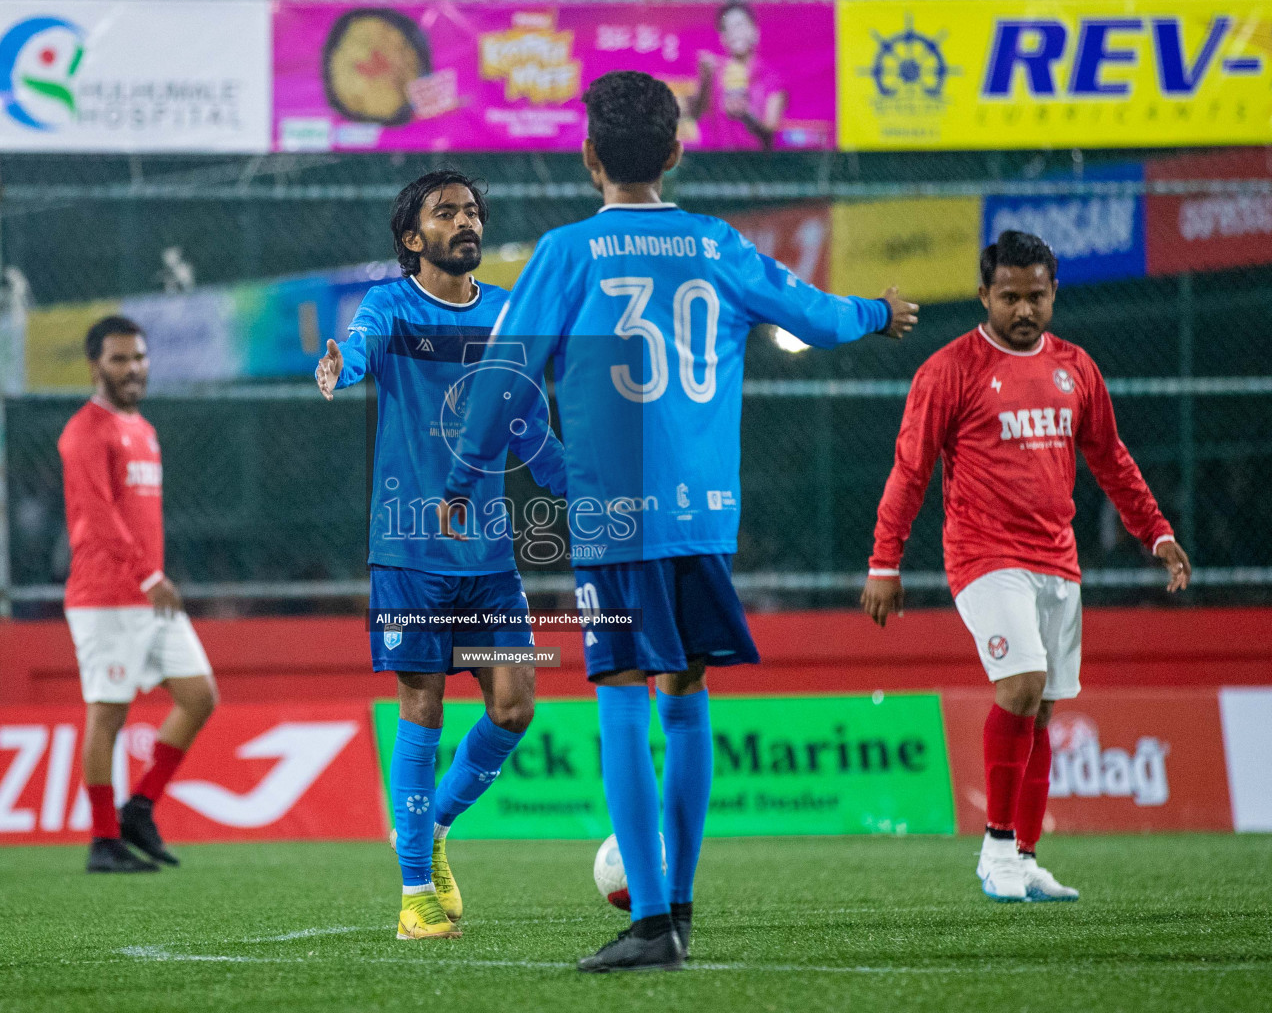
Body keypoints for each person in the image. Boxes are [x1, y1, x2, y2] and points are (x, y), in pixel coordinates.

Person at [441, 71, 917, 971]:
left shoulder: (568, 253)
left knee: (621, 692)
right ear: (676, 152)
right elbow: (812, 317)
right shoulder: (716, 245)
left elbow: (505, 378)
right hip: (702, 517)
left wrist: (464, 479)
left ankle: (652, 924)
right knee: (688, 696)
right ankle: (680, 909)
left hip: (613, 518)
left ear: (588, 158)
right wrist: (876, 313)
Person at [860, 229, 1192, 903]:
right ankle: (997, 849)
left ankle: (1027, 855)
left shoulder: (1077, 368)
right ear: (984, 295)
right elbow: (910, 470)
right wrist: (883, 561)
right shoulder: (949, 370)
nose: (1023, 309)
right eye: (1008, 296)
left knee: (1041, 710)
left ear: (1053, 293)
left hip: (1057, 558)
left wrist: (1155, 531)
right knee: (1022, 684)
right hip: (983, 555)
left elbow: (1111, 459)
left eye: (1035, 296)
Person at [315, 170, 566, 941]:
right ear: (411, 238)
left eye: (472, 211)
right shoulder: (390, 307)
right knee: (422, 706)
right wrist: (340, 366)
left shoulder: (505, 316)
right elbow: (357, 351)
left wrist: (579, 493)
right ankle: (416, 897)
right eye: (445, 212)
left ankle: (431, 829)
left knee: (515, 706)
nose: (466, 222)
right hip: (410, 550)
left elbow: (526, 425)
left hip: (489, 556)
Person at [59, 315, 218, 874]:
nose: (134, 368)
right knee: (108, 715)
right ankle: (104, 840)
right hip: (107, 596)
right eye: (121, 359)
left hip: (149, 595)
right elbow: (97, 517)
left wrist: (151, 580)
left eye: (140, 358)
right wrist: (148, 576)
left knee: (200, 696)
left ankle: (140, 808)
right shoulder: (85, 431)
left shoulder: (142, 429)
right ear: (95, 365)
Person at [686, 1, 787, 150]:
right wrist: (705, 80)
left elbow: (770, 130)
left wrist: (746, 114)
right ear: (722, 38)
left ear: (755, 32)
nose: (734, 32)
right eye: (727, 28)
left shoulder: (770, 78)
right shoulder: (714, 72)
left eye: (739, 25)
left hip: (757, 165)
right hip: (719, 162)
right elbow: (695, 115)